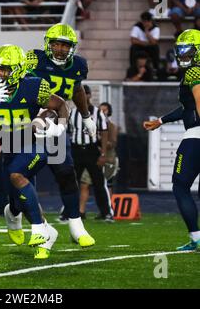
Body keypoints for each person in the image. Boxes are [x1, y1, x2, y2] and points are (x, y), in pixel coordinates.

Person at [0, 44, 68, 259]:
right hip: (10, 150)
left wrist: (59, 127)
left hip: (34, 145)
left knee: (17, 175)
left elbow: (61, 105)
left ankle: (38, 229)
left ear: (17, 70)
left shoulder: (32, 87)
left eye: (4, 69)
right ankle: (37, 226)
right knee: (19, 201)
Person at [25, 23, 95, 247]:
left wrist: (86, 117)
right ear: (48, 44)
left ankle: (76, 226)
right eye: (56, 44)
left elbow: (76, 89)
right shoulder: (34, 59)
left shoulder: (78, 65)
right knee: (21, 179)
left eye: (65, 45)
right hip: (28, 125)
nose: (60, 49)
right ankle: (29, 221)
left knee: (66, 173)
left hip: (57, 125)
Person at [143, 29, 200, 251]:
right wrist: (161, 120)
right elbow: (188, 107)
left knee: (180, 186)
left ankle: (196, 238)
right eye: (181, 51)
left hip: (196, 136)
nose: (184, 55)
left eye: (188, 50)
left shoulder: (195, 72)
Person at [70, 85, 114, 222]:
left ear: (88, 95)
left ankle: (106, 212)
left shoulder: (97, 112)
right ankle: (70, 212)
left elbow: (104, 131)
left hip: (91, 149)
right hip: (76, 149)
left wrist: (103, 154)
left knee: (99, 183)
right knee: (70, 182)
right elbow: (66, 131)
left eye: (85, 94)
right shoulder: (71, 112)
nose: (82, 97)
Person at [79, 102, 119, 219]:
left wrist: (101, 140)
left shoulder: (111, 126)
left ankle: (107, 210)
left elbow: (112, 144)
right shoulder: (92, 124)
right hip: (93, 158)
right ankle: (81, 211)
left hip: (107, 159)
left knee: (106, 185)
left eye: (105, 110)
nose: (103, 112)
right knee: (84, 183)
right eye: (101, 110)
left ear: (109, 112)